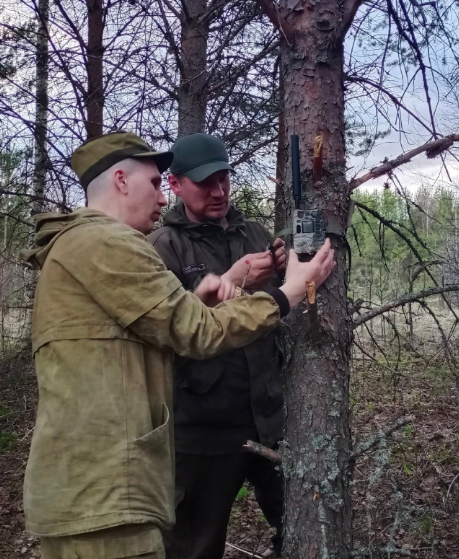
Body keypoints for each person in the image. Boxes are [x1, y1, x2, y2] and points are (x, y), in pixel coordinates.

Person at [20, 131, 335, 559]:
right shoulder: (111, 245)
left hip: (108, 489)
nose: (161, 198)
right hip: (113, 489)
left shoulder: (88, 246)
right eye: (154, 184)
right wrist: (287, 293)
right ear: (120, 180)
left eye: (225, 178)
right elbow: (195, 331)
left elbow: (155, 331)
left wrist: (216, 296)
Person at [148, 133, 286, 559]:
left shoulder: (256, 233)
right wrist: (233, 278)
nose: (219, 191)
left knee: (301, 526)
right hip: (201, 432)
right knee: (194, 547)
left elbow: (290, 304)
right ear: (175, 185)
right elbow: (170, 331)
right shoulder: (161, 248)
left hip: (270, 418)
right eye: (206, 182)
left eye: (224, 178)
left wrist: (287, 266)